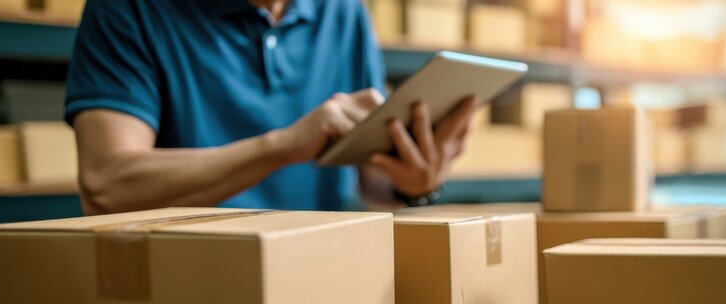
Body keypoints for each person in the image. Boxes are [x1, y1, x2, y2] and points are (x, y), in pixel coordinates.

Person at [65, 0, 477, 215]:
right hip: (182, 280)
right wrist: (283, 145)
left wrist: (414, 180)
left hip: (316, 277)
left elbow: (374, 184)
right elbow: (107, 185)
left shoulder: (344, 11)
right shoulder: (128, 8)